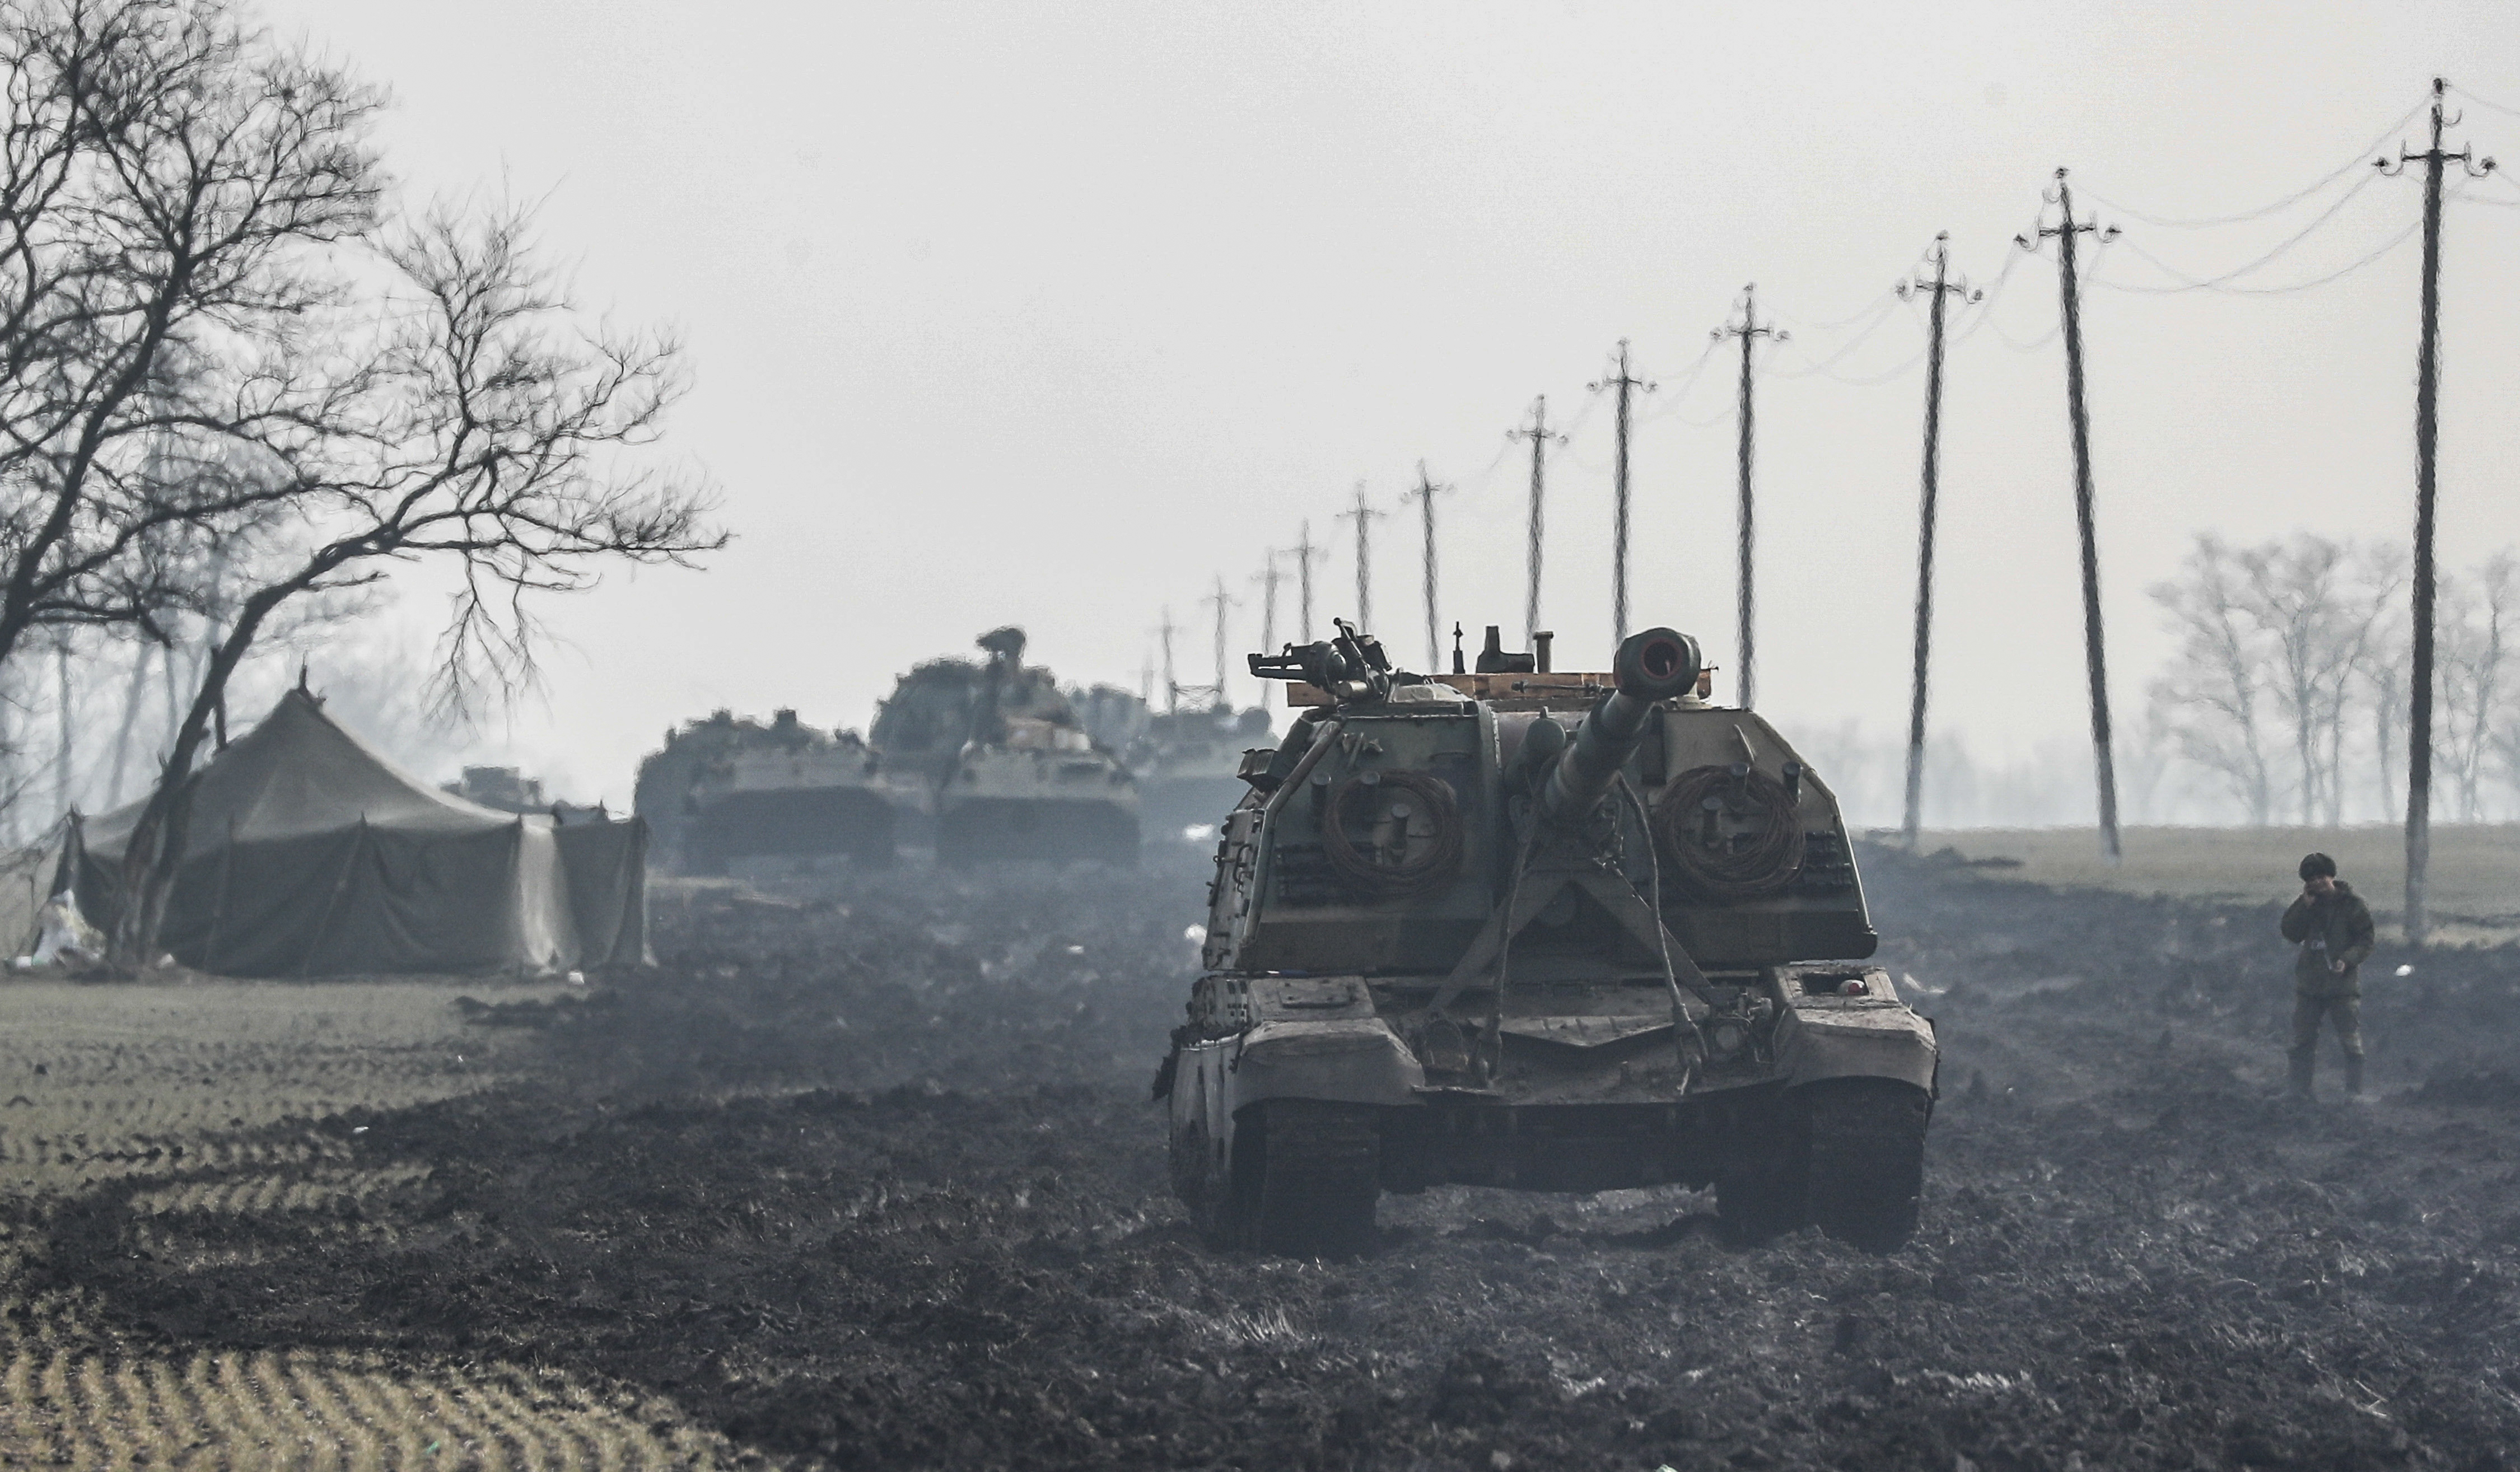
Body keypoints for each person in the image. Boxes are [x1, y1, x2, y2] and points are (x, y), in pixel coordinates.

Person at [2278, 852, 2375, 1099]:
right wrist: (2304, 907)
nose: (2317, 883)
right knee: (2302, 1042)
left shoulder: (2352, 905)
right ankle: (2298, 1091)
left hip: (2342, 986)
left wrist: (2347, 960)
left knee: (2350, 1042)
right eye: (2311, 879)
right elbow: (2290, 933)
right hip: (2310, 985)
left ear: (2331, 876)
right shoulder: (2308, 905)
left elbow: (2366, 940)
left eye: (2321, 877)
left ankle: (2354, 1093)